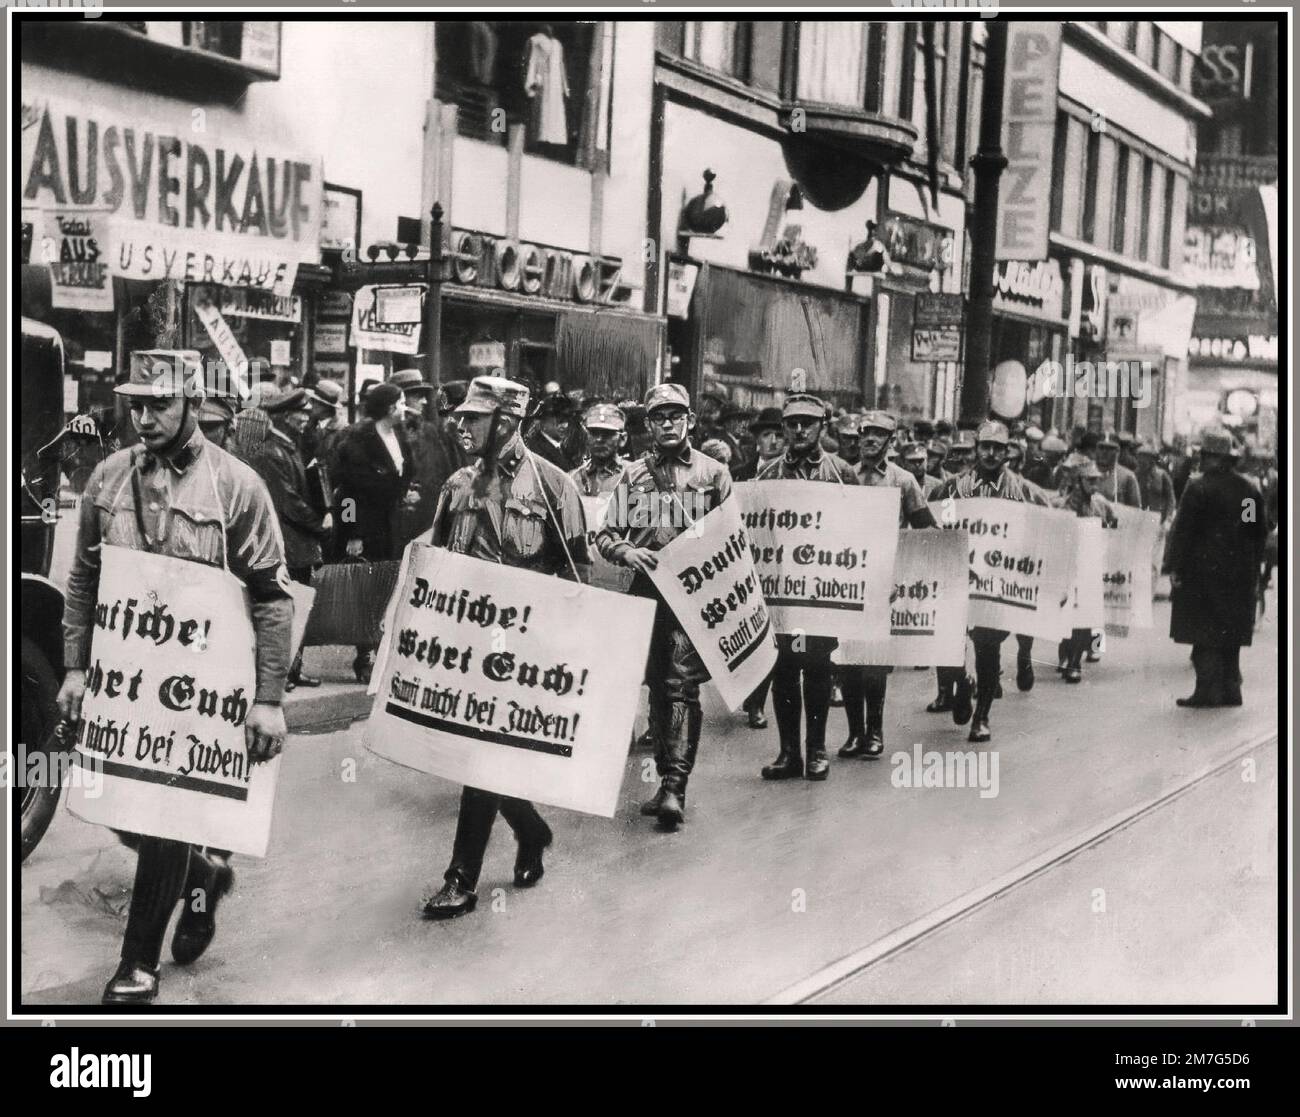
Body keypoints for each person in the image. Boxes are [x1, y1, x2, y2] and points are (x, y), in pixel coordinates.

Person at [57, 350, 292, 1004]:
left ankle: (137, 965)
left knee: (162, 811)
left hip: (205, 684)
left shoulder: (237, 485)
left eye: (159, 402)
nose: (144, 415)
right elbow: (83, 578)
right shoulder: (108, 476)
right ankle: (203, 877)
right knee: (126, 814)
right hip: (129, 684)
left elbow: (273, 595)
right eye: (135, 402)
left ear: (192, 402)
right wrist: (75, 666)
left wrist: (268, 699)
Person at [419, 376, 589, 919]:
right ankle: (532, 830)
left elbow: (576, 575)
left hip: (526, 650)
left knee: (485, 758)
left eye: (473, 418)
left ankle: (461, 878)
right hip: (469, 647)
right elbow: (437, 558)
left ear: (508, 423)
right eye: (461, 417)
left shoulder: (554, 487)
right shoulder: (458, 485)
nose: (460, 425)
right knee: (481, 755)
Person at [595, 383, 732, 829]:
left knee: (679, 685)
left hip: (692, 594)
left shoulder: (713, 475)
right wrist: (625, 551)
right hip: (646, 592)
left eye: (676, 415)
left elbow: (734, 540)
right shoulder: (633, 476)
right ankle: (664, 782)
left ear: (691, 420)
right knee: (654, 684)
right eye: (659, 417)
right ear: (649, 425)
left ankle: (675, 786)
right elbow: (606, 534)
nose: (668, 423)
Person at [754, 392, 859, 783]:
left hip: (821, 592)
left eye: (807, 424)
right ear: (783, 427)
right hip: (780, 592)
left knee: (816, 668)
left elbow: (859, 532)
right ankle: (788, 752)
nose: (799, 430)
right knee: (782, 670)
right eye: (792, 423)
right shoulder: (767, 475)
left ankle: (816, 749)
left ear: (822, 428)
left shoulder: (840, 473)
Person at [933, 420, 1051, 742]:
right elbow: (935, 525)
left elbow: (1048, 524)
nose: (989, 453)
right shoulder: (955, 487)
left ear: (1007, 452)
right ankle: (961, 683)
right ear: (976, 449)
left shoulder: (1023, 491)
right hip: (959, 579)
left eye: (997, 448)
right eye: (984, 447)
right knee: (950, 644)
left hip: (997, 584)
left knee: (987, 649)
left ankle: (982, 716)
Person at [838, 412, 935, 760]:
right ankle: (853, 733)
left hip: (884, 582)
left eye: (878, 435)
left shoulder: (904, 480)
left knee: (874, 664)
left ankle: (875, 732)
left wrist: (905, 574)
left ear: (890, 442)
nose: (869, 440)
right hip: (846, 580)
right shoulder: (843, 475)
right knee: (847, 661)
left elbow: (926, 530)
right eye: (865, 434)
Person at [1162, 428, 1267, 708]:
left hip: (1202, 574)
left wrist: (1174, 567)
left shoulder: (1198, 488)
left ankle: (1207, 691)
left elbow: (1184, 531)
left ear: (1211, 458)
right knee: (1230, 635)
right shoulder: (1248, 489)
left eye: (1205, 455)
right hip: (1239, 574)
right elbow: (1254, 530)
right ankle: (1232, 689)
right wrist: (1252, 567)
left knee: (1204, 634)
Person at [332, 381, 415, 683]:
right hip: (365, 529)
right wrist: (353, 532)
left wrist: (405, 494)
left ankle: (383, 651)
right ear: (390, 408)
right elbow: (346, 494)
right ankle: (364, 655)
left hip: (392, 525)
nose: (406, 409)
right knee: (367, 592)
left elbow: (403, 477)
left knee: (388, 588)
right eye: (402, 403)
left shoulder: (400, 438)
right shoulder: (358, 441)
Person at [252, 386, 333, 690]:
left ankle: (293, 669)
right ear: (285, 416)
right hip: (288, 542)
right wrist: (319, 524)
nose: (305, 420)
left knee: (297, 605)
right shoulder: (272, 451)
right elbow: (288, 502)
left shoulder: (285, 447)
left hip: (296, 542)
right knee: (287, 608)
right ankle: (283, 673)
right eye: (301, 415)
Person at [1052, 455, 1117, 683]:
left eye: (1096, 481)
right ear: (1078, 481)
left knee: (1085, 616)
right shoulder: (1061, 506)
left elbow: (1114, 524)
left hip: (1089, 567)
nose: (1095, 486)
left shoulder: (1101, 505)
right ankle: (1065, 654)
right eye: (1090, 481)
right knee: (1065, 615)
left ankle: (1075, 662)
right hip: (1065, 567)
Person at [569, 403, 630, 496]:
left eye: (607, 433)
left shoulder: (634, 475)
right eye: (594, 433)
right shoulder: (573, 479)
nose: (599, 439)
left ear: (622, 439)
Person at [525, 392, 579, 470]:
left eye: (567, 420)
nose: (565, 426)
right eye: (559, 420)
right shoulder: (534, 449)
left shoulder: (564, 449)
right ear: (543, 419)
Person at [732, 407, 784, 483]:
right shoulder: (737, 474)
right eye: (766, 435)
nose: (773, 441)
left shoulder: (795, 474)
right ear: (757, 439)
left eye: (779, 435)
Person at [1094, 432, 1142, 508]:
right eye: (1101, 447)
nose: (1105, 452)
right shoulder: (1085, 472)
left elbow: (1135, 510)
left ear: (1117, 452)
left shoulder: (1127, 477)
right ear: (1095, 450)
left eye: (1110, 449)